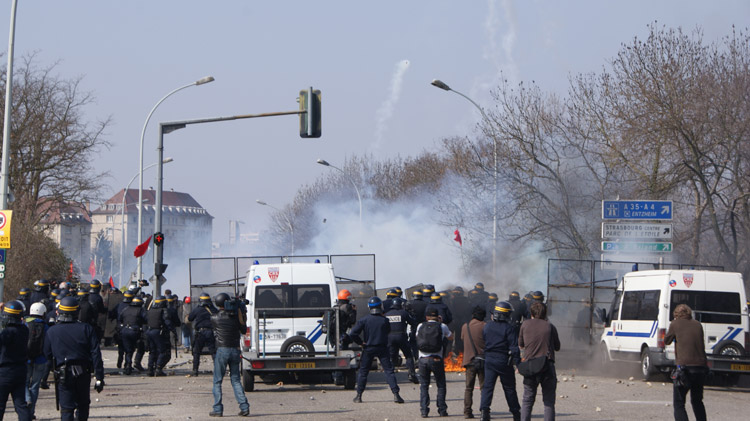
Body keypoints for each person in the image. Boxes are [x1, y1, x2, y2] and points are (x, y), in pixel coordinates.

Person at [44, 296, 104, 421]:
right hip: (83, 371)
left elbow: (47, 354)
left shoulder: (52, 331)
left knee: (66, 408)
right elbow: (96, 354)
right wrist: (99, 377)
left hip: (63, 372)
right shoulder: (86, 328)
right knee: (83, 405)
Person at [349, 296, 404, 404]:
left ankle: (359, 395)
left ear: (369, 307)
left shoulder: (364, 320)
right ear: (380, 306)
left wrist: (361, 342)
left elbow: (353, 333)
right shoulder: (385, 320)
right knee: (389, 371)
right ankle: (396, 394)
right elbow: (387, 331)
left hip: (368, 348)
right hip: (383, 348)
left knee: (363, 372)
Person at [664, 304, 707, 421]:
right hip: (700, 367)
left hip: (684, 369)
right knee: (697, 401)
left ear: (676, 315)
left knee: (679, 403)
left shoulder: (675, 324)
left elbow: (666, 341)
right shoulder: (698, 324)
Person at [209, 292, 250, 417]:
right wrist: (241, 313)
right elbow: (243, 330)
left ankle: (218, 409)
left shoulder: (214, 318)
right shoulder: (236, 317)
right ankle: (244, 406)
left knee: (217, 381)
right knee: (236, 380)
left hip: (222, 350)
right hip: (235, 349)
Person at [479, 301, 521, 421]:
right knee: (509, 388)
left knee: (487, 387)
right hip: (503, 361)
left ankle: (484, 412)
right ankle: (516, 413)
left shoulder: (487, 326)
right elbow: (514, 348)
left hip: (489, 360)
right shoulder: (509, 328)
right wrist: (518, 364)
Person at [518, 302, 560, 421]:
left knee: (527, 400)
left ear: (531, 313)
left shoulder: (524, 325)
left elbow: (521, 344)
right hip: (547, 366)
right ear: (545, 313)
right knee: (548, 402)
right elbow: (557, 346)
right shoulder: (550, 326)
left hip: (530, 366)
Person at [415, 308, 453, 418]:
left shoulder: (420, 326)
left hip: (423, 360)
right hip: (437, 358)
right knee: (440, 385)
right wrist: (441, 324)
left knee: (424, 385)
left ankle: (424, 411)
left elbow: (417, 337)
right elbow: (450, 337)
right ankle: (442, 410)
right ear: (437, 316)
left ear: (426, 317)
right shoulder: (442, 326)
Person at [0, 301, 31, 420]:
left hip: (5, 371)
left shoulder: (7, 332)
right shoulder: (24, 329)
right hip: (20, 369)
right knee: (20, 404)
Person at [384, 297, 418, 383]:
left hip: (390, 337)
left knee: (391, 357)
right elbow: (413, 322)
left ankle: (390, 377)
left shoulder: (387, 314)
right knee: (409, 356)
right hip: (401, 336)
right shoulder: (403, 313)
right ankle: (411, 374)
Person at [462, 306, 487, 419]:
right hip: (482, 360)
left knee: (468, 388)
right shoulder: (485, 326)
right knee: (484, 388)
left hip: (469, 361)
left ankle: (467, 412)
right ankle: (484, 411)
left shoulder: (465, 326)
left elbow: (463, 339)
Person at [26, 302, 49, 419]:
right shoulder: (45, 326)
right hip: (40, 359)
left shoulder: (25, 324)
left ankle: (27, 399)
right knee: (35, 386)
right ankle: (31, 412)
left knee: (24, 383)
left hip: (26, 359)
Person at [117, 293, 147, 375]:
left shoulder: (126, 309)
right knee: (141, 347)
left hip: (124, 331)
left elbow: (120, 319)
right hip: (135, 331)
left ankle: (128, 365)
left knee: (128, 350)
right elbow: (146, 319)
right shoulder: (141, 310)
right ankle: (137, 362)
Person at [145, 296, 174, 376]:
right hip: (158, 332)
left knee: (152, 351)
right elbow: (167, 322)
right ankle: (158, 368)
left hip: (149, 331)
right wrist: (173, 330)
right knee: (162, 351)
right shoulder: (163, 311)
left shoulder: (150, 310)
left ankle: (150, 369)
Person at [189, 293, 217, 376]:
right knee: (213, 352)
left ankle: (195, 370)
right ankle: (217, 370)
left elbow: (190, 318)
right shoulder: (213, 309)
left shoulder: (197, 309)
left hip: (200, 333)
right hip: (210, 332)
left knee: (196, 352)